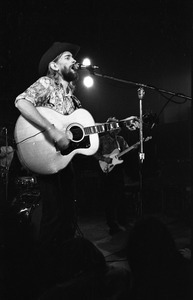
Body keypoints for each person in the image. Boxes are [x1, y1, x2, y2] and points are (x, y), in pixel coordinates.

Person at [14, 41, 83, 250]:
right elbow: (21, 101)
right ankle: (46, 267)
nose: (75, 61)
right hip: (45, 155)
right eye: (68, 57)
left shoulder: (74, 100)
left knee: (68, 214)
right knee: (53, 214)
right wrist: (52, 130)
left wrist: (119, 125)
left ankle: (67, 263)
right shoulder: (46, 83)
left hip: (65, 159)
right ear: (54, 66)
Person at [94, 117, 139, 235]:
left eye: (116, 126)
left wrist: (133, 148)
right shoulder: (102, 139)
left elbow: (126, 151)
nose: (116, 128)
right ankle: (112, 225)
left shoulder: (121, 139)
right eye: (113, 126)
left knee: (120, 196)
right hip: (106, 170)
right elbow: (94, 152)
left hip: (118, 170)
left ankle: (122, 221)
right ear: (108, 127)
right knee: (109, 199)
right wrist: (104, 158)